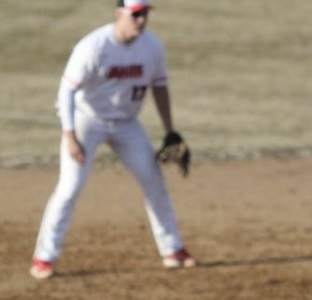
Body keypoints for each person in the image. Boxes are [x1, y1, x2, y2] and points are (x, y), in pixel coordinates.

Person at [30, 0, 194, 280]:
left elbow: (160, 87)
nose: (141, 20)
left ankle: (173, 249)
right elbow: (66, 91)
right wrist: (69, 135)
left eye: (145, 14)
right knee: (70, 187)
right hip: (87, 122)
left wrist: (170, 130)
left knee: (154, 180)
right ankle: (45, 257)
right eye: (136, 14)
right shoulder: (94, 46)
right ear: (120, 14)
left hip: (128, 124)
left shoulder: (152, 47)